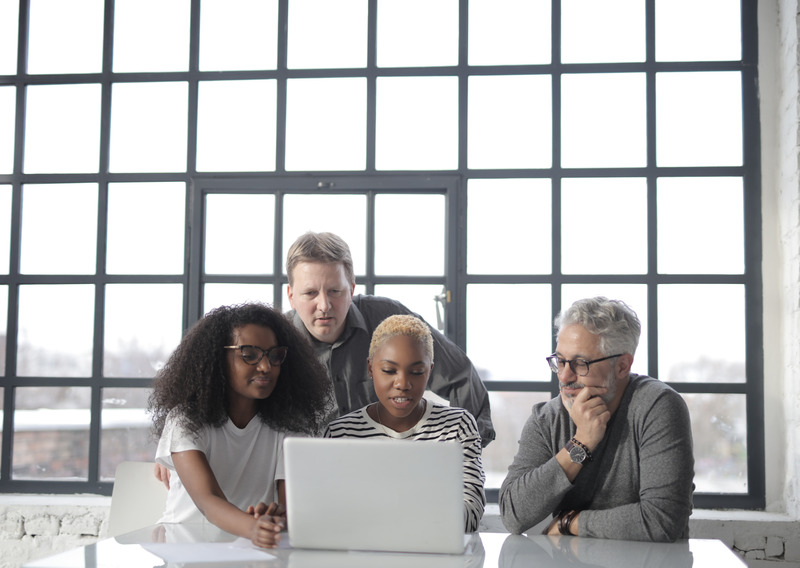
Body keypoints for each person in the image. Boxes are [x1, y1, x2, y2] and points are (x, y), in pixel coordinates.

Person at [498, 297, 694, 542]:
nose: (564, 375)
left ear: (622, 366)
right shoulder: (547, 418)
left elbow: (662, 521)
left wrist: (569, 522)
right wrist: (580, 444)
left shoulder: (658, 406)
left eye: (581, 363)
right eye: (560, 361)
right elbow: (513, 515)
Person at [286, 231, 495, 447]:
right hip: (315, 474)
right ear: (291, 296)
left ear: (351, 290)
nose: (324, 305)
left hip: (394, 469)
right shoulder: (276, 342)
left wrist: (462, 454)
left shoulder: (390, 319)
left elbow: (461, 377)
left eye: (335, 291)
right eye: (310, 293)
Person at [148, 302, 331, 548]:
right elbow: (207, 501)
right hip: (183, 547)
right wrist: (253, 527)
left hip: (250, 552)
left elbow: (292, 509)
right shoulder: (186, 421)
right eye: (250, 354)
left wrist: (275, 520)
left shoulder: (290, 426)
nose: (266, 367)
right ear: (216, 358)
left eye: (274, 355)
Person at [323, 314, 486, 532]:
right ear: (370, 369)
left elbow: (470, 516)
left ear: (429, 371)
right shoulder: (340, 433)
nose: (402, 384)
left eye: (417, 372)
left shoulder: (457, 426)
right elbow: (329, 515)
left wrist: (377, 511)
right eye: (389, 371)